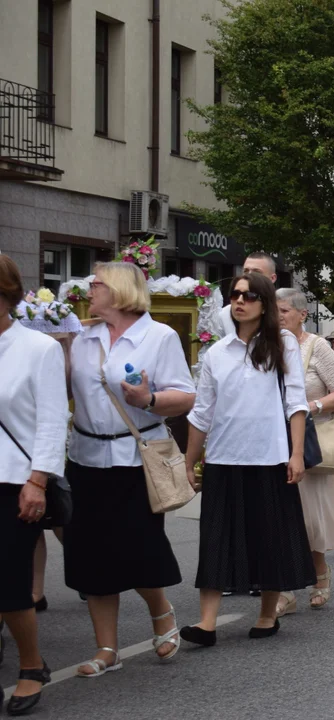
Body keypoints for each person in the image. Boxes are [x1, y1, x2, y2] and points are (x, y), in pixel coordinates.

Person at [65, 261, 195, 675]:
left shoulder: (158, 336)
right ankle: (107, 650)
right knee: (90, 556)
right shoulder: (84, 337)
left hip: (134, 459)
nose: (90, 288)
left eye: (97, 283)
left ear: (120, 291)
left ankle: (161, 611)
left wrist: (149, 401)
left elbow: (186, 396)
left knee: (137, 549)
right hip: (85, 458)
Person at [180, 273, 314, 645]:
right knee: (216, 539)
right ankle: (207, 624)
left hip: (270, 458)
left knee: (268, 538)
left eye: (249, 295)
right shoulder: (217, 353)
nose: (239, 301)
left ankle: (267, 615)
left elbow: (296, 403)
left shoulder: (283, 343)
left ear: (264, 302)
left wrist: (297, 454)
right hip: (224, 458)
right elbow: (201, 413)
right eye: (235, 295)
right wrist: (189, 463)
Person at [0, 256, 67, 714]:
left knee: (8, 584)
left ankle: (30, 663)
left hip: (15, 481)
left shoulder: (37, 348)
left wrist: (38, 481)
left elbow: (52, 421)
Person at [274, 288, 334, 616]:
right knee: (278, 518)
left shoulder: (316, 346)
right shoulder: (266, 346)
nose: (277, 316)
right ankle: (283, 590)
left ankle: (320, 574)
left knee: (310, 520)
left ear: (302, 314)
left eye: (283, 310)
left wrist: (309, 406)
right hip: (273, 442)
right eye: (273, 310)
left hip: (309, 444)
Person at [215, 251, 278, 337]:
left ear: (272, 278)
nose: (250, 276)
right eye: (246, 271)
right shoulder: (225, 315)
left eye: (256, 272)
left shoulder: (285, 311)